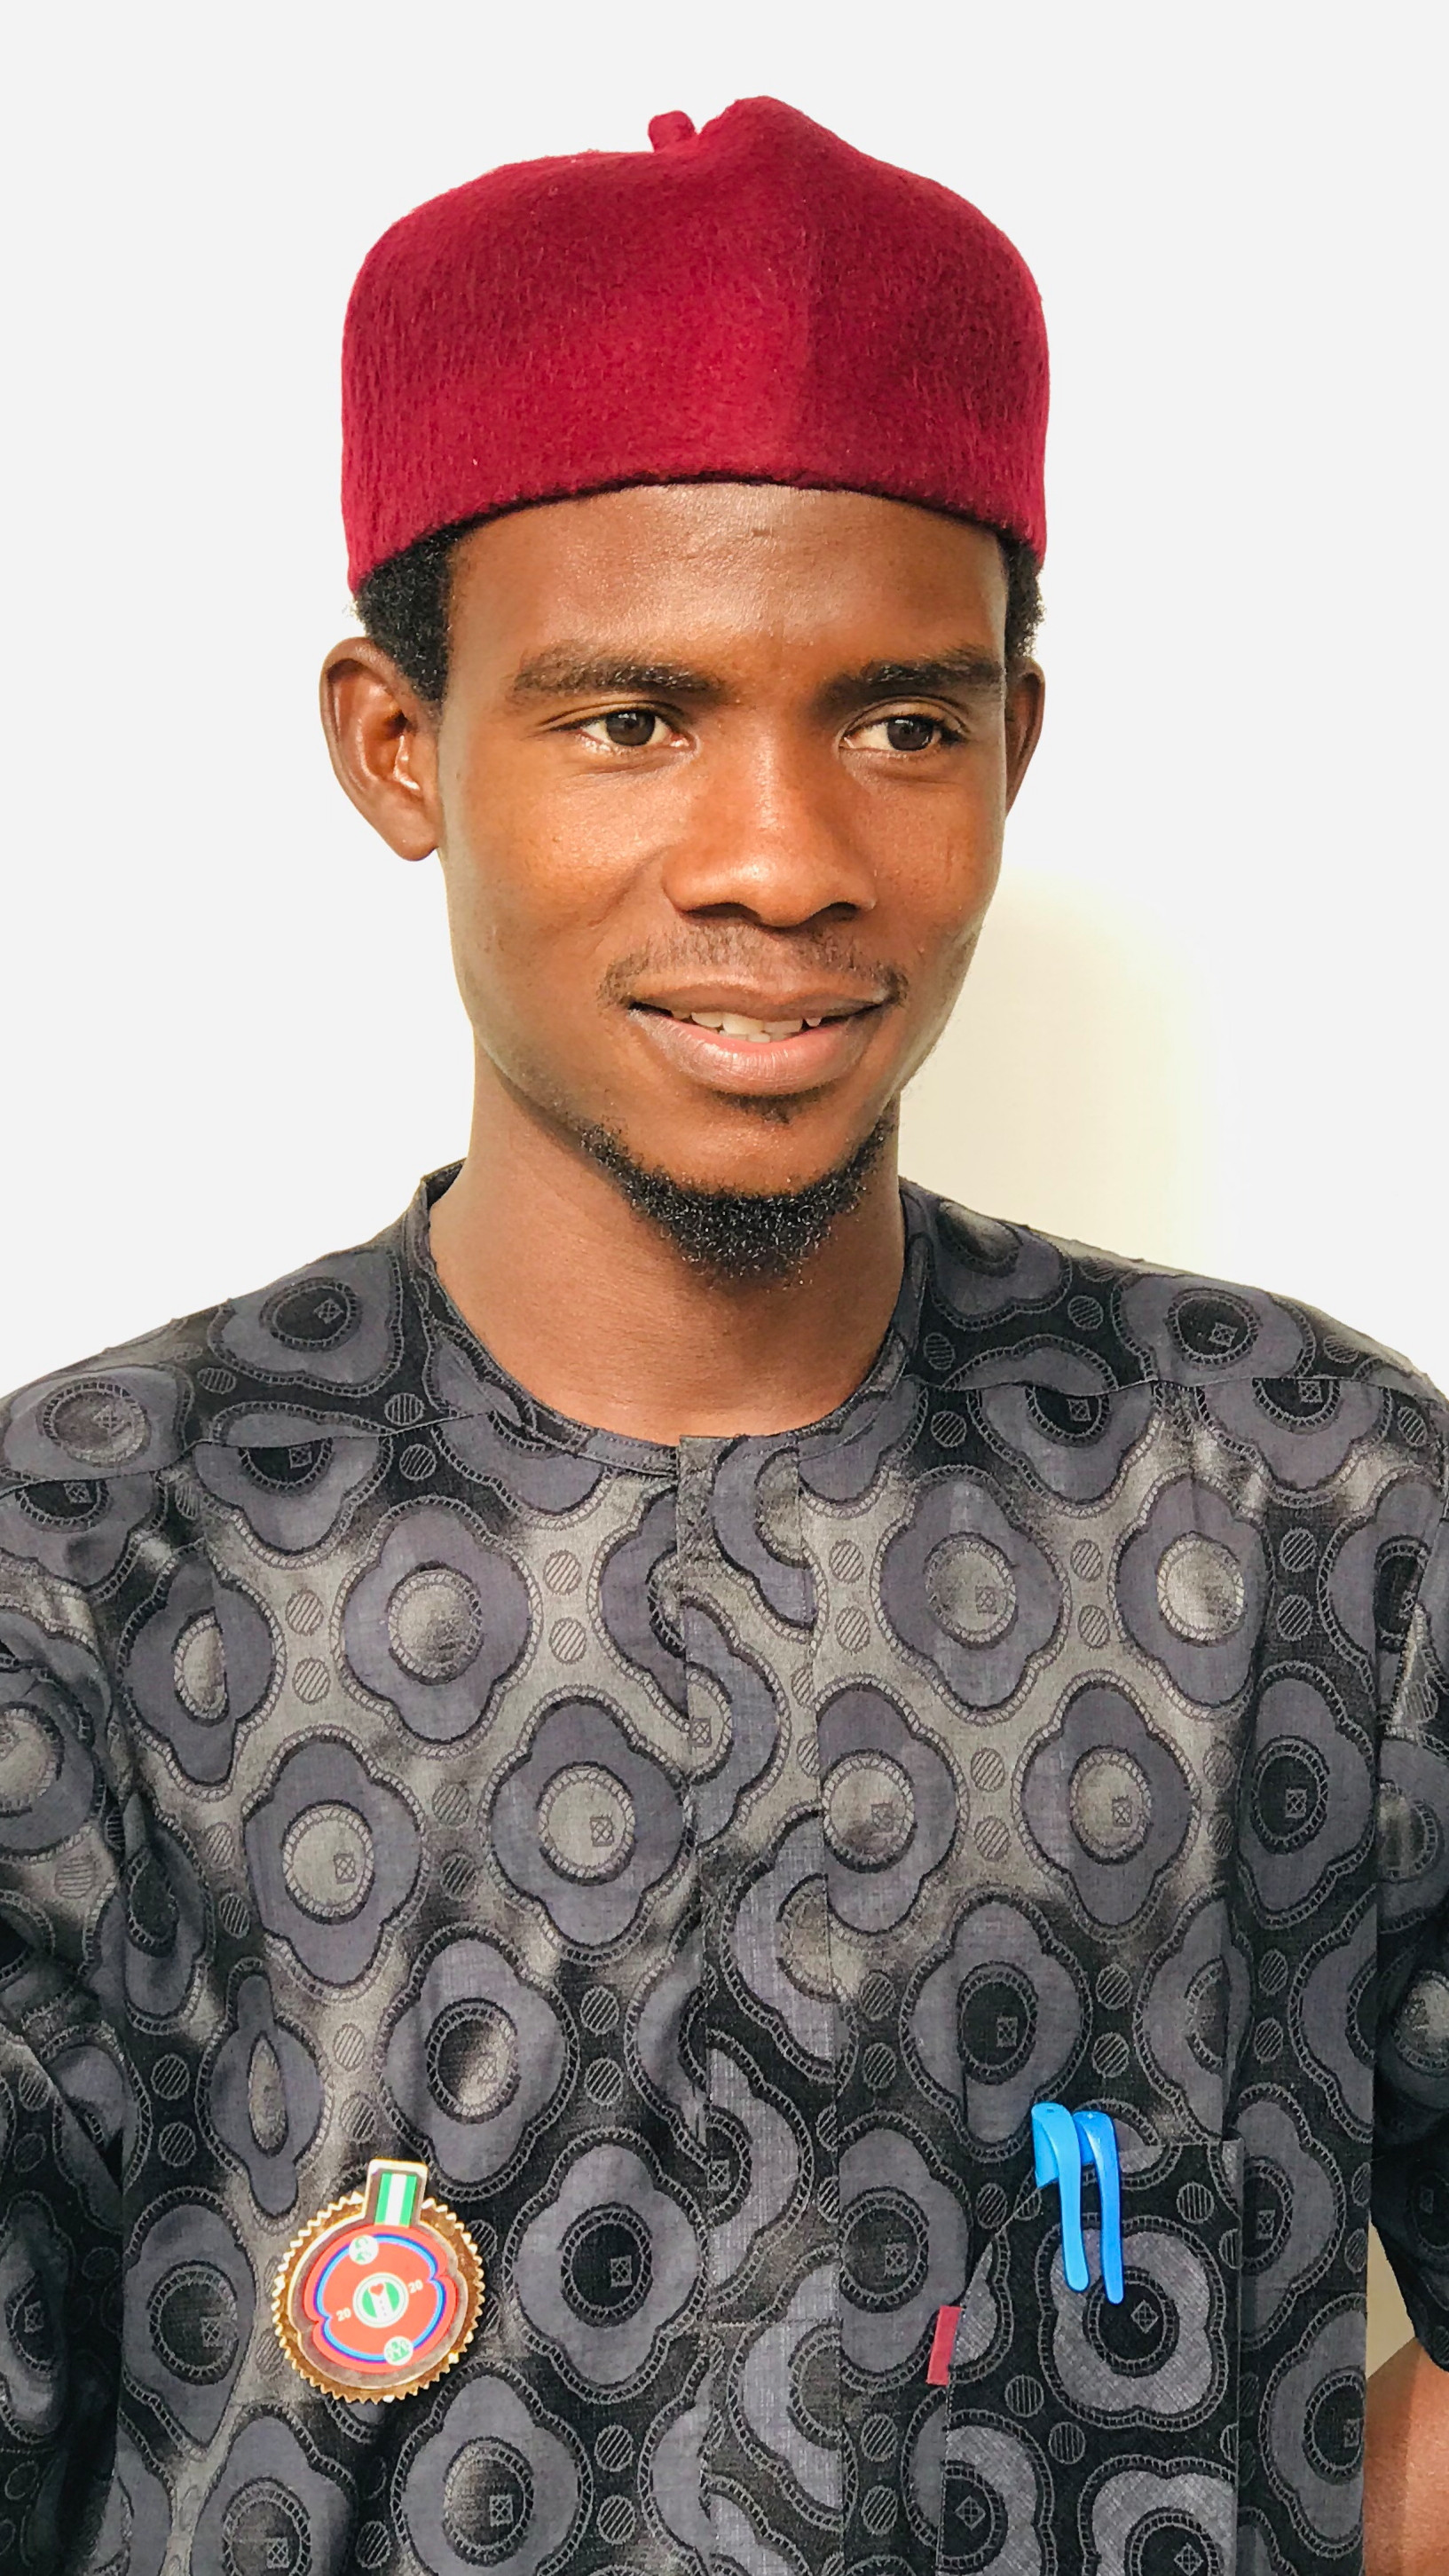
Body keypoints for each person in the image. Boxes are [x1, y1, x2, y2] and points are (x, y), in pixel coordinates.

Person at [0, 92, 1445, 2576]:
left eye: (899, 720)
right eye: (630, 719)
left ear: (1012, 742)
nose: (780, 861)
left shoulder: (1316, 1509)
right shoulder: (84, 1568)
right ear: (396, 746)